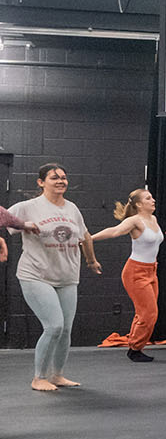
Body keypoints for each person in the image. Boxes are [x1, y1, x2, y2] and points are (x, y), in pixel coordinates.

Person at [6, 164, 102, 391]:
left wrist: (91, 261)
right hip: (35, 274)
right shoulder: (28, 207)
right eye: (54, 178)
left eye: (63, 178)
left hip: (67, 276)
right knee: (54, 326)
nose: (60, 181)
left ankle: (57, 374)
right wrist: (21, 225)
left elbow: (85, 236)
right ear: (41, 182)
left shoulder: (72, 208)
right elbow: (4, 219)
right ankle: (38, 377)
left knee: (66, 329)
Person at [89, 189, 166, 362]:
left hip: (151, 270)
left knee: (144, 313)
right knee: (149, 314)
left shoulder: (153, 219)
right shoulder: (134, 221)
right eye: (148, 198)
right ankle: (135, 349)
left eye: (152, 197)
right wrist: (89, 239)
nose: (153, 200)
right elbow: (115, 231)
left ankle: (135, 345)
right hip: (135, 272)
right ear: (139, 204)